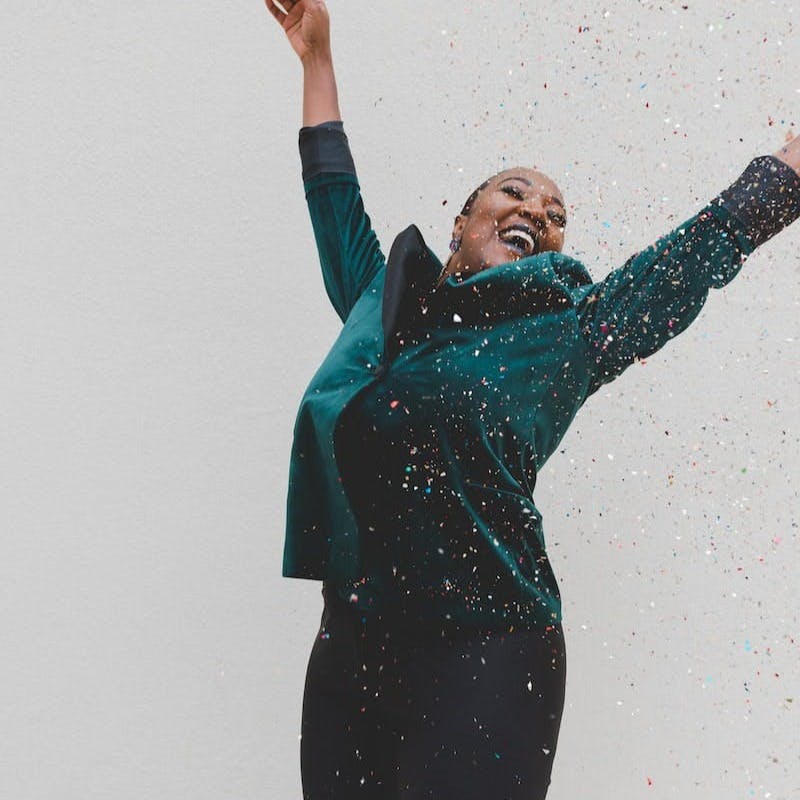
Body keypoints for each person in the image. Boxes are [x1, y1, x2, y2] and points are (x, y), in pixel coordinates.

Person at [265, 1, 800, 798]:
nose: (536, 216)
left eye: (555, 219)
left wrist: (786, 173)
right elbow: (333, 196)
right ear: (462, 220)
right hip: (354, 647)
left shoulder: (568, 334)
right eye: (515, 195)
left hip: (487, 653)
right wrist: (316, 60)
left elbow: (684, 263)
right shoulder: (382, 310)